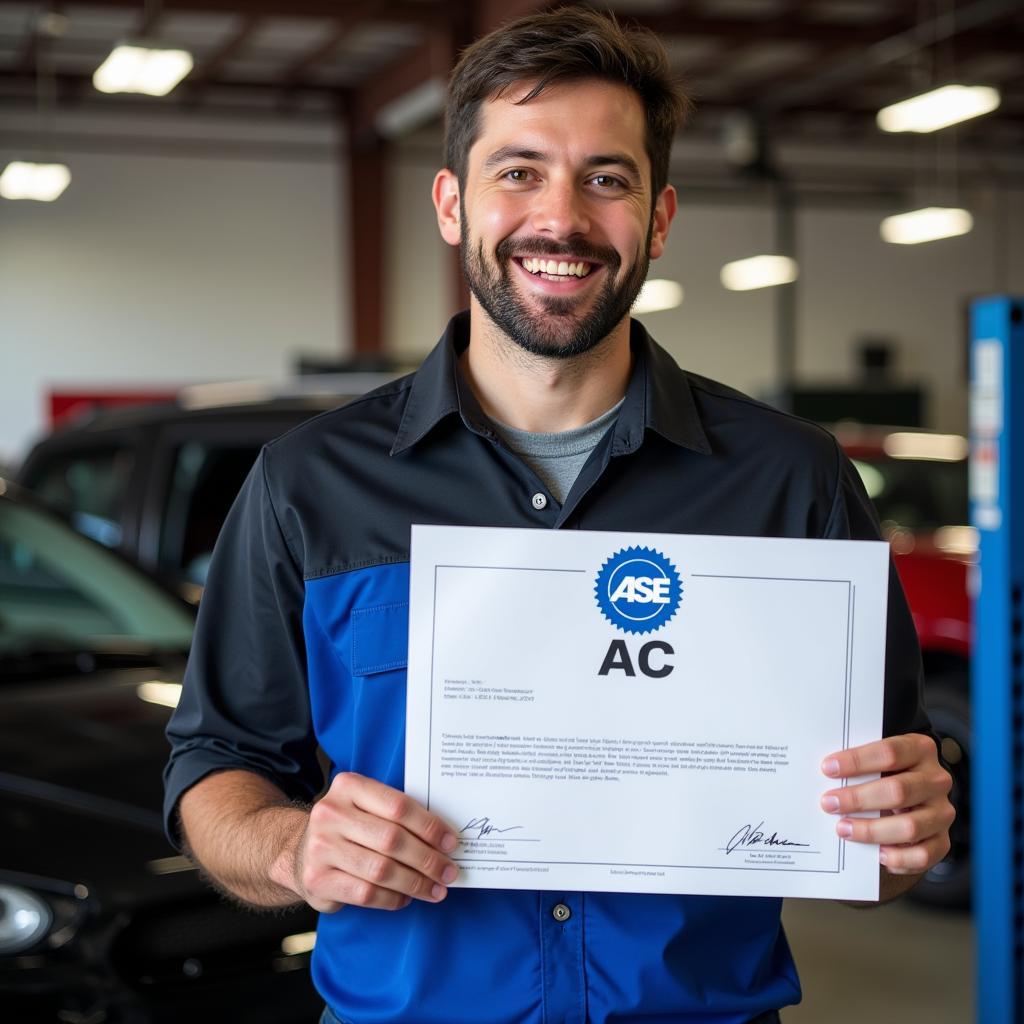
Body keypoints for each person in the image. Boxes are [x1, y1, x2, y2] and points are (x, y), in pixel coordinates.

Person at [164, 9, 954, 1023]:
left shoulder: (789, 485)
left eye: (606, 178)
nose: (563, 217)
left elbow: (874, 832)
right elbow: (214, 764)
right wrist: (288, 844)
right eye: (519, 171)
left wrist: (901, 833)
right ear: (452, 203)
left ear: (659, 218)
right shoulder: (308, 484)